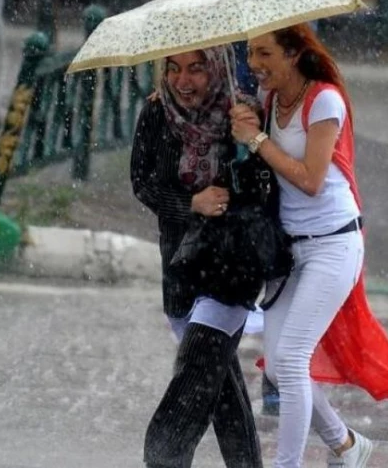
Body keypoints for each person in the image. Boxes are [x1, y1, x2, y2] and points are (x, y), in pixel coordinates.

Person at [229, 24, 388, 468]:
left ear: (293, 53)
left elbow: (310, 179)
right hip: (291, 252)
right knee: (277, 366)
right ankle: (347, 445)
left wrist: (257, 140)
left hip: (334, 245)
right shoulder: (271, 101)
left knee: (290, 361)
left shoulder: (323, 99)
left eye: (265, 53)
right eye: (251, 53)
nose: (254, 64)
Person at [130, 46, 265, 468]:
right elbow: (143, 183)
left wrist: (251, 143)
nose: (182, 81)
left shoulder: (243, 114)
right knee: (222, 387)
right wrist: (192, 203)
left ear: (218, 68)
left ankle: (163, 457)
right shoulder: (156, 112)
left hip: (231, 266)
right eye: (173, 69)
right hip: (179, 266)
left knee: (193, 376)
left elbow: (265, 190)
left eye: (195, 69)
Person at [231, 0, 307, 416]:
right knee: (283, 260)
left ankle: (221, 354)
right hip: (282, 140)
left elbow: (238, 72)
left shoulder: (234, 3)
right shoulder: (295, 11)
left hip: (241, 140)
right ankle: (278, 379)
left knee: (244, 256)